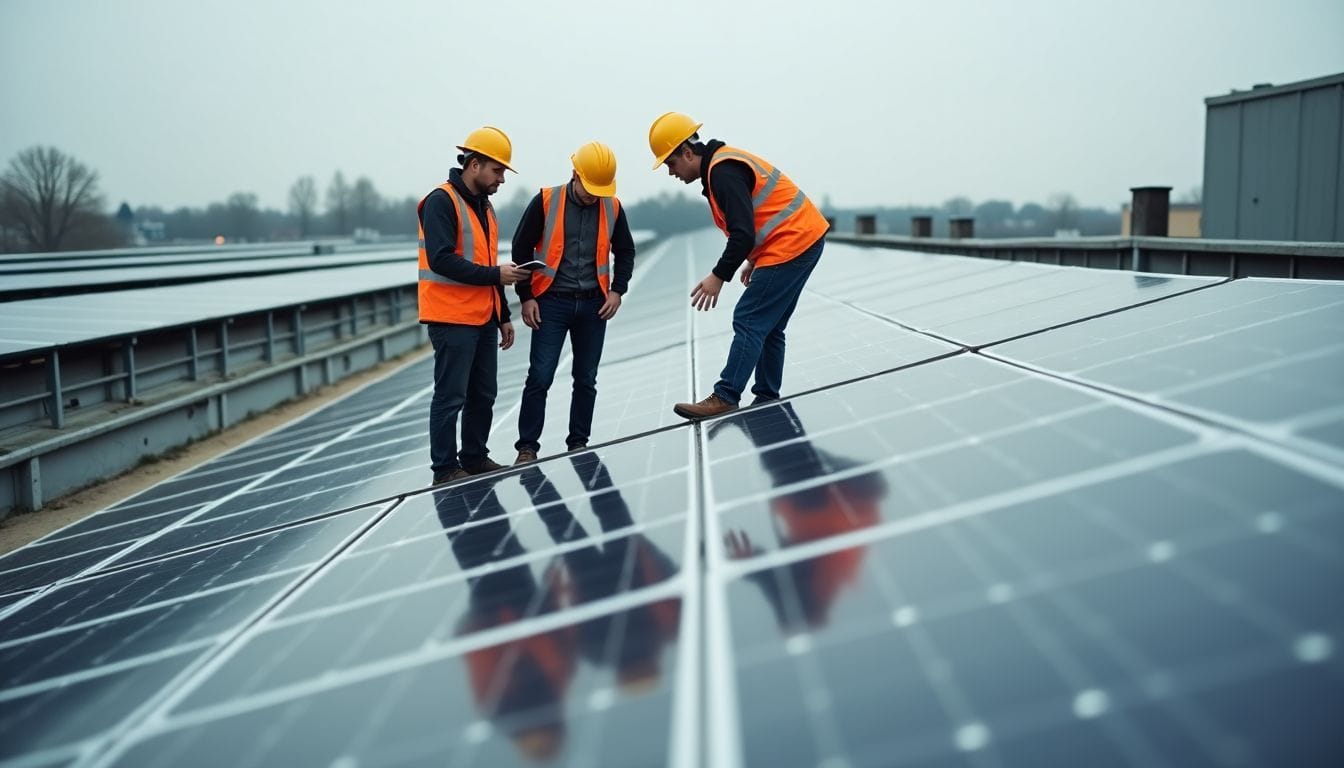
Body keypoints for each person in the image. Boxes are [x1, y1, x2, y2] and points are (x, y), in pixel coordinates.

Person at [648, 112, 830, 420]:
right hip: (800, 238)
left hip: (793, 242)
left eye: (671, 163)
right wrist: (753, 259)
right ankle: (766, 395)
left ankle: (726, 395)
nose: (670, 172)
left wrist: (719, 276)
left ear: (688, 152)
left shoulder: (723, 173)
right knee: (769, 325)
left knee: (748, 317)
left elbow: (743, 232)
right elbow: (753, 223)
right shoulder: (720, 167)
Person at [510, 142, 637, 464]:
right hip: (550, 304)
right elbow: (521, 249)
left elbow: (625, 251)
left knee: (586, 378)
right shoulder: (545, 201)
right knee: (540, 376)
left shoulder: (613, 206)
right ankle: (527, 448)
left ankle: (578, 443)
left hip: (595, 306)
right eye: (590, 188)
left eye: (600, 190)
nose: (594, 196)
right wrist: (526, 298)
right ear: (574, 175)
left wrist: (618, 290)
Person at [714, 401, 888, 632]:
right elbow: (775, 582)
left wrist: (749, 563)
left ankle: (762, 418)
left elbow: (772, 580)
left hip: (832, 499)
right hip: (842, 496)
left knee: (791, 469)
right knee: (793, 471)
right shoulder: (819, 585)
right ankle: (763, 417)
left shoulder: (816, 587)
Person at [418, 126, 528, 485]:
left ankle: (475, 458)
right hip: (451, 318)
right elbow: (441, 259)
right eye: (497, 171)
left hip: (482, 317)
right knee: (451, 396)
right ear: (475, 164)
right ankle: (445, 469)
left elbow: (486, 263)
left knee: (484, 393)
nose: (501, 179)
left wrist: (503, 316)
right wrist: (497, 276)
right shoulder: (441, 201)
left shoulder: (486, 208)